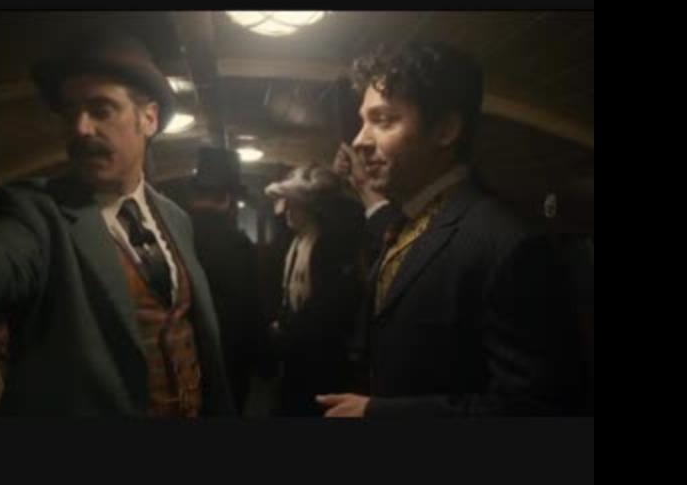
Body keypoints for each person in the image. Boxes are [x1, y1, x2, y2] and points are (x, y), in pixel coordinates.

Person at [0, 15, 233, 416]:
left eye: (100, 109)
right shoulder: (35, 211)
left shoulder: (175, 218)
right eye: (69, 113)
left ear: (148, 118)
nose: (80, 128)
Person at [318, 41, 588, 417]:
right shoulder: (409, 220)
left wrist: (378, 412)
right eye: (364, 121)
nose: (360, 140)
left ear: (445, 129)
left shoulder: (509, 243)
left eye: (384, 120)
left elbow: (537, 407)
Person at [264, 165, 364, 416]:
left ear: (312, 208)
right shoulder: (297, 241)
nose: (285, 210)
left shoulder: (328, 247)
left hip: (320, 362)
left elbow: (326, 312)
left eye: (293, 204)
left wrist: (287, 331)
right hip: (296, 358)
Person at [186, 147, 262, 415]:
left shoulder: (176, 236)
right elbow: (248, 307)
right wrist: (264, 360)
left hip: (185, 358)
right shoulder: (238, 245)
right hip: (230, 357)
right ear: (229, 199)